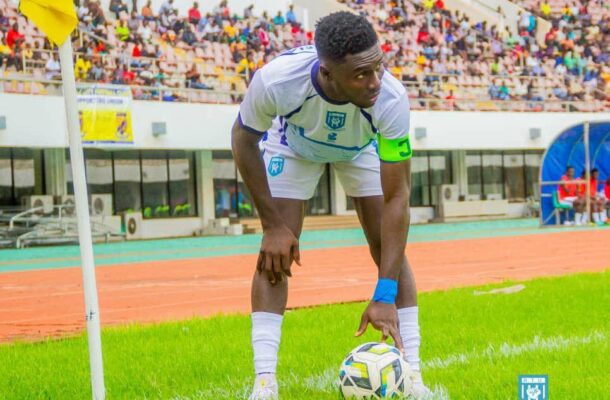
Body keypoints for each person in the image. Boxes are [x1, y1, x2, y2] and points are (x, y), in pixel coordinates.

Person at [231, 12, 429, 400]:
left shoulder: (390, 98)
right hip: (294, 145)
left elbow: (397, 197)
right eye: (361, 74)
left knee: (388, 249)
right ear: (327, 72)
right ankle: (265, 383)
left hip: (361, 147)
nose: (375, 81)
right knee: (275, 255)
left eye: (378, 66)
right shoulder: (278, 80)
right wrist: (272, 225)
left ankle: (414, 375)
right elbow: (242, 138)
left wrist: (384, 294)